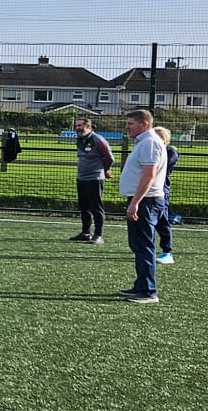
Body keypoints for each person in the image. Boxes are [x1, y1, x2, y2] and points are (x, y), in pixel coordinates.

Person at [117, 106, 167, 303]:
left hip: (146, 201)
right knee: (138, 244)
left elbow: (149, 175)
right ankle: (141, 286)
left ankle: (148, 291)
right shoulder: (145, 142)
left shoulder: (149, 143)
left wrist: (135, 202)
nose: (127, 127)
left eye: (131, 123)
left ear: (144, 124)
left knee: (144, 245)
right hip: (143, 200)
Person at [70, 112, 113, 245]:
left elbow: (109, 157)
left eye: (80, 126)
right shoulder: (80, 140)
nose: (77, 128)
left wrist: (104, 170)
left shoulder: (98, 140)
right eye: (76, 126)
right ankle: (85, 233)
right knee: (84, 207)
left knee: (96, 207)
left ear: (88, 126)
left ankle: (98, 235)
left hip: (94, 178)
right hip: (81, 178)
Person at [154, 126, 179, 266]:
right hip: (148, 191)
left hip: (161, 191)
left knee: (162, 221)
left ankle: (167, 252)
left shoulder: (171, 152)